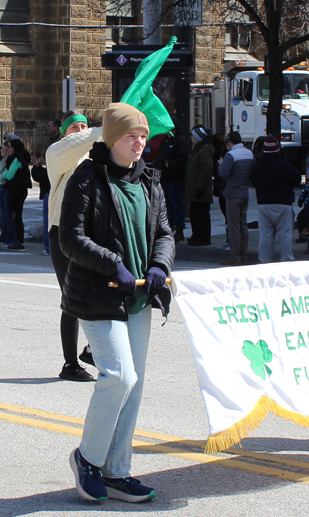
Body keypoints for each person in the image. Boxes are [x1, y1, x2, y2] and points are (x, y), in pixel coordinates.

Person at [59, 102, 175, 503]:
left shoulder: (149, 182)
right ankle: (88, 459)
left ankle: (117, 472)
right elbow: (70, 239)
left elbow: (164, 232)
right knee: (119, 377)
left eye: (143, 136)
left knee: (134, 387)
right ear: (111, 139)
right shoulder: (86, 179)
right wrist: (113, 265)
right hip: (98, 295)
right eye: (131, 136)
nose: (140, 142)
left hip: (140, 297)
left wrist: (159, 263)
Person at [46, 110, 102, 381]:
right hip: (63, 233)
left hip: (90, 234)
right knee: (72, 297)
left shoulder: (93, 157)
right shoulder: (57, 154)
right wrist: (110, 125)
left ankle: (92, 349)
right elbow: (81, 142)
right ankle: (70, 364)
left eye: (83, 125)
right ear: (63, 133)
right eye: (74, 127)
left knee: (98, 292)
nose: (80, 131)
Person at [250, 135, 301, 263]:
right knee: (285, 234)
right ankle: (286, 260)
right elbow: (296, 179)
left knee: (265, 235)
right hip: (283, 203)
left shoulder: (257, 166)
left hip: (264, 203)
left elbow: (253, 181)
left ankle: (265, 261)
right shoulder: (285, 165)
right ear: (278, 149)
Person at [217, 131, 254, 266]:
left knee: (234, 227)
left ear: (230, 142)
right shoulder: (249, 153)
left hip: (232, 193)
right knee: (243, 225)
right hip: (244, 192)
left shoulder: (231, 155)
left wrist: (221, 164)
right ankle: (244, 254)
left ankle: (235, 256)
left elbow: (223, 174)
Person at [153, 116, 189, 243]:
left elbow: (183, 158)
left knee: (177, 204)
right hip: (165, 178)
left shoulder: (180, 140)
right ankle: (170, 229)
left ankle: (179, 230)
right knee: (167, 206)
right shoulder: (165, 141)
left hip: (175, 178)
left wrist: (170, 164)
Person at [31, 120, 61, 256]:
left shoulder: (59, 146)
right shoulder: (53, 145)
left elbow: (51, 173)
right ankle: (50, 247)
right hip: (49, 189)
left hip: (53, 190)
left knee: (52, 220)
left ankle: (51, 247)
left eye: (50, 126)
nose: (47, 128)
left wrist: (38, 168)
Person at [0, 138, 32, 251]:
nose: (8, 149)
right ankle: (15, 240)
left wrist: (4, 173)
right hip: (16, 190)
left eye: (10, 147)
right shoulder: (15, 158)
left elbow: (9, 176)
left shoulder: (17, 160)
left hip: (17, 191)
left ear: (15, 148)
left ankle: (19, 242)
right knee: (13, 216)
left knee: (15, 216)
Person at [185, 124, 214, 246]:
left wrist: (200, 187)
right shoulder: (196, 150)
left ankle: (203, 237)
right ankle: (196, 235)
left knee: (201, 215)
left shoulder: (203, 151)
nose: (191, 137)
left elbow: (206, 169)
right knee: (195, 214)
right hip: (194, 188)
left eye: (192, 135)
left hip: (200, 190)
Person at [0, 136, 15, 247]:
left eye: (2, 148)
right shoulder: (2, 160)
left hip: (5, 187)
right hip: (1, 187)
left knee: (7, 215)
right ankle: (4, 237)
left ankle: (9, 239)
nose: (1, 149)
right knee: (3, 216)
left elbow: (6, 175)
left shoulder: (8, 161)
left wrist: (2, 174)